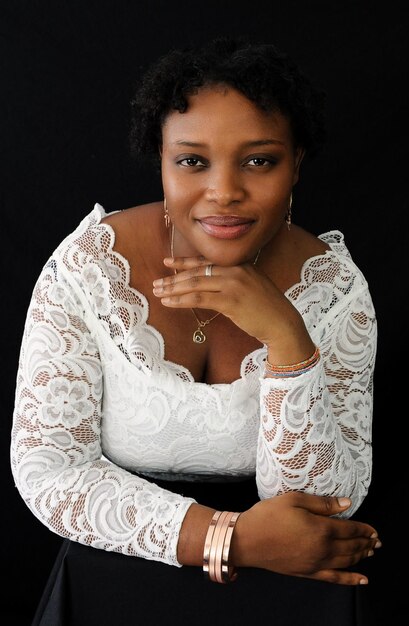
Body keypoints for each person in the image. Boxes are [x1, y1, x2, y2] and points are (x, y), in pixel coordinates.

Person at [10, 36, 380, 625]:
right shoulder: (87, 268)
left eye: (259, 160)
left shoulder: (335, 288)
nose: (225, 191)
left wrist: (287, 338)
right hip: (117, 578)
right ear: (160, 158)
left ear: (297, 163)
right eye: (192, 161)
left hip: (289, 590)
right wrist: (231, 540)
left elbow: (325, 508)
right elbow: (47, 470)